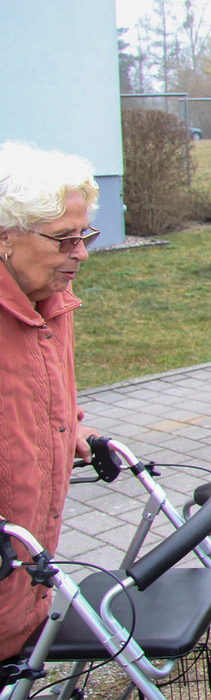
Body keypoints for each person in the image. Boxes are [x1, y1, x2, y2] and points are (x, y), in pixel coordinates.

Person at [0, 141, 99, 663]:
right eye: (64, 239)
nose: (80, 254)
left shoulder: (51, 303)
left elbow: (40, 392)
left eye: (84, 236)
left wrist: (72, 428)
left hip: (27, 569)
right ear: (5, 237)